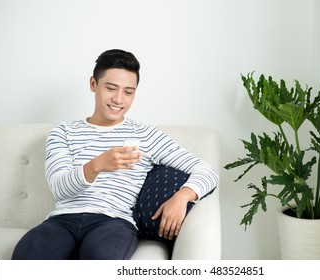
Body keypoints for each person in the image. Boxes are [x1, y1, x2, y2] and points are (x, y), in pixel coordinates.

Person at [12, 49, 218, 260]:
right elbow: (60, 190)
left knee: (103, 258)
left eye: (128, 92)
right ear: (93, 84)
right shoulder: (63, 132)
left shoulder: (146, 135)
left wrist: (182, 196)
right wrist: (97, 165)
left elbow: (207, 171)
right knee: (26, 258)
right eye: (111, 88)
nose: (119, 99)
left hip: (113, 222)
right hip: (62, 220)